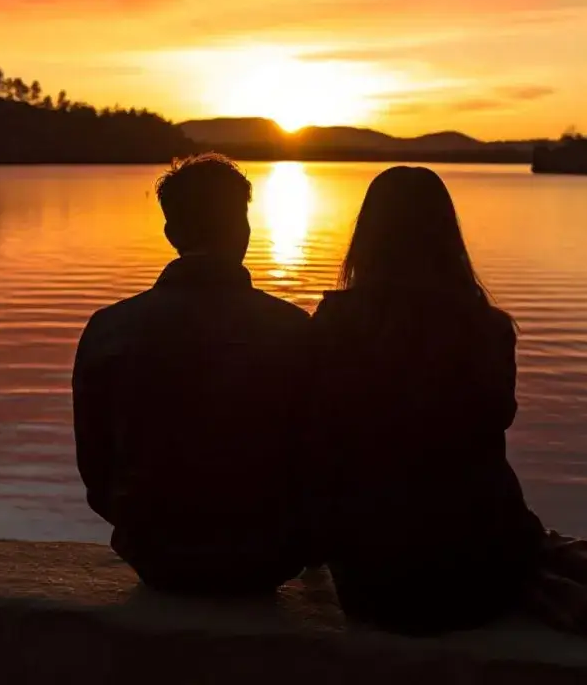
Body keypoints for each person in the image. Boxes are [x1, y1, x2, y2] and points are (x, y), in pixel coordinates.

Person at [305, 165, 545, 635]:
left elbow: (314, 444)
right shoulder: (489, 329)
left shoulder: (334, 323)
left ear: (367, 237)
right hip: (480, 578)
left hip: (371, 582)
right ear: (446, 235)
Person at [72, 153, 311, 595]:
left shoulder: (109, 328)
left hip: (154, 556)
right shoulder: (294, 329)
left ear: (172, 234)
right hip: (268, 558)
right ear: (243, 230)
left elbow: (97, 469)